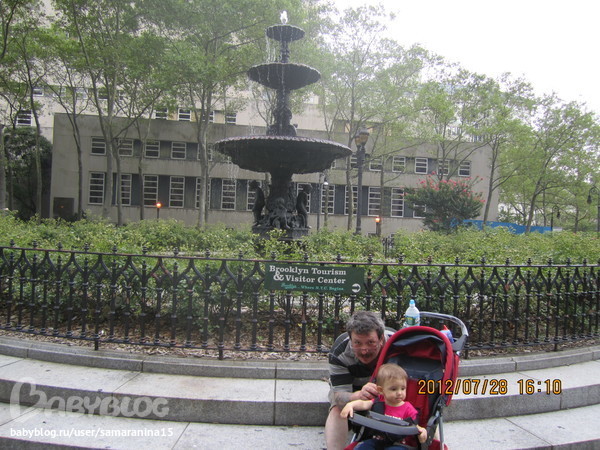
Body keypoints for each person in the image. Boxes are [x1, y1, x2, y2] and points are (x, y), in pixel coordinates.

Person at [325, 311, 394, 450]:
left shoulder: (397, 346)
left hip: (390, 392)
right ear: (350, 339)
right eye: (357, 343)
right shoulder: (339, 352)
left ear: (381, 339)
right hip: (353, 391)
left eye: (370, 343)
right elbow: (339, 395)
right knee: (338, 409)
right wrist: (358, 396)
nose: (364, 350)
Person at [340, 363, 428, 449]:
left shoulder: (408, 408)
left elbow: (415, 425)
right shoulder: (378, 403)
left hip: (398, 444)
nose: (399, 393)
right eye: (393, 389)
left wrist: (422, 431)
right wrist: (350, 405)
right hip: (377, 440)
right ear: (381, 390)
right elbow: (363, 404)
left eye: (403, 388)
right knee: (363, 446)